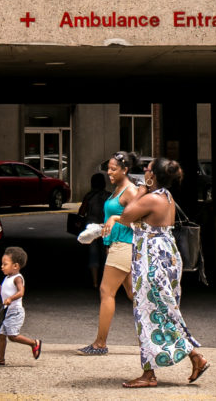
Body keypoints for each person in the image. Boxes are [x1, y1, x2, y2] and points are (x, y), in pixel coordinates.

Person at [117, 157, 210, 388]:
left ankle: (150, 375)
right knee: (164, 312)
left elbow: (127, 214)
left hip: (151, 262)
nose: (144, 172)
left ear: (154, 176)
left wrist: (140, 190)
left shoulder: (150, 198)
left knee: (148, 315)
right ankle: (193, 358)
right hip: (164, 257)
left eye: (147, 170)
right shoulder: (166, 197)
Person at [77, 151, 139, 356]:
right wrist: (102, 228)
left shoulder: (130, 191)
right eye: (108, 168)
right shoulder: (117, 190)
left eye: (113, 169)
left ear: (125, 170)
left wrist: (114, 219)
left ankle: (99, 344)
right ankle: (156, 335)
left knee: (106, 292)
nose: (108, 172)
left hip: (124, 245)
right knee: (135, 295)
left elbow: (139, 220)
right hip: (116, 245)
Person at [0, 246, 42, 365]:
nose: (2, 266)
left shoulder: (17, 278)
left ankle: (34, 343)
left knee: (12, 336)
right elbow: (3, 292)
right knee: (1, 335)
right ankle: (0, 358)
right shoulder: (7, 278)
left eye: (5, 264)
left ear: (15, 266)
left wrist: (11, 298)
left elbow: (21, 292)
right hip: (6, 311)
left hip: (15, 312)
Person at [78, 172, 109, 288]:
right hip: (106, 227)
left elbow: (81, 212)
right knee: (106, 253)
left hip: (91, 227)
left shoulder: (89, 196)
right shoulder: (109, 196)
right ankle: (105, 280)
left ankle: (95, 282)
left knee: (93, 253)